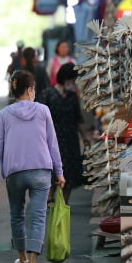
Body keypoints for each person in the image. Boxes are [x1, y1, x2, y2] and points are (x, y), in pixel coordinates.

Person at [0, 70, 65, 263]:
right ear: (31, 89)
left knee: (17, 215)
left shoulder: (4, 114)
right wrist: (59, 172)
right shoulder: (43, 111)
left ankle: (22, 259)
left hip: (14, 173)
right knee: (38, 215)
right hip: (41, 171)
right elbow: (53, 143)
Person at [37, 63, 88, 203]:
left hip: (71, 140)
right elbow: (39, 120)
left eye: (74, 80)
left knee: (70, 173)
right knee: (52, 170)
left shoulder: (72, 96)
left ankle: (65, 202)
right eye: (71, 79)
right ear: (64, 78)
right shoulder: (47, 94)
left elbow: (79, 119)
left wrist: (85, 138)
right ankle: (50, 198)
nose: (72, 83)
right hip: (52, 140)